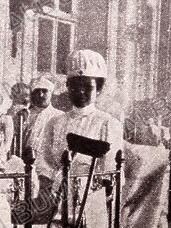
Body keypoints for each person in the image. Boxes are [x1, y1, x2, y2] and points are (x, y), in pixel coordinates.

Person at [37, 50, 124, 181]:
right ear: (67, 87)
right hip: (57, 193)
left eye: (88, 87)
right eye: (74, 87)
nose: (80, 92)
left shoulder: (108, 124)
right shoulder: (54, 122)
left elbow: (110, 175)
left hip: (92, 196)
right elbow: (45, 165)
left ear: (98, 90)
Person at [25, 76, 64, 157]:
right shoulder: (26, 114)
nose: (41, 95)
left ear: (51, 93)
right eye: (37, 91)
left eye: (45, 91)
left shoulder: (59, 116)